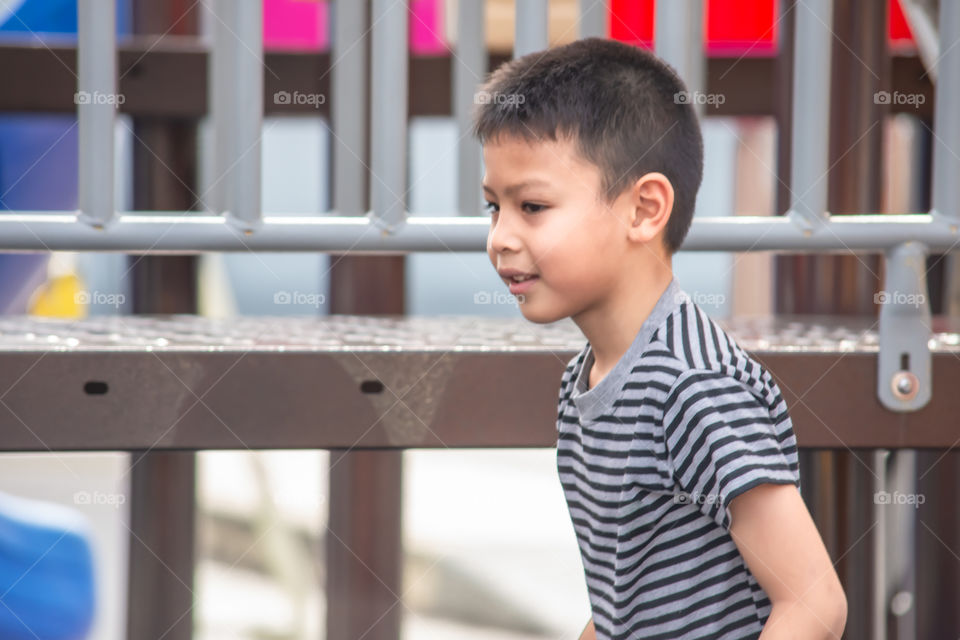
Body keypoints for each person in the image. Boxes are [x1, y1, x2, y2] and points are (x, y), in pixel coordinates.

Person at [472, 37, 846, 640]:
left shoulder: (694, 387)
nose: (500, 237)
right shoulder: (587, 380)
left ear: (644, 209)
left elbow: (813, 604)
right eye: (493, 207)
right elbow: (625, 599)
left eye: (533, 206)